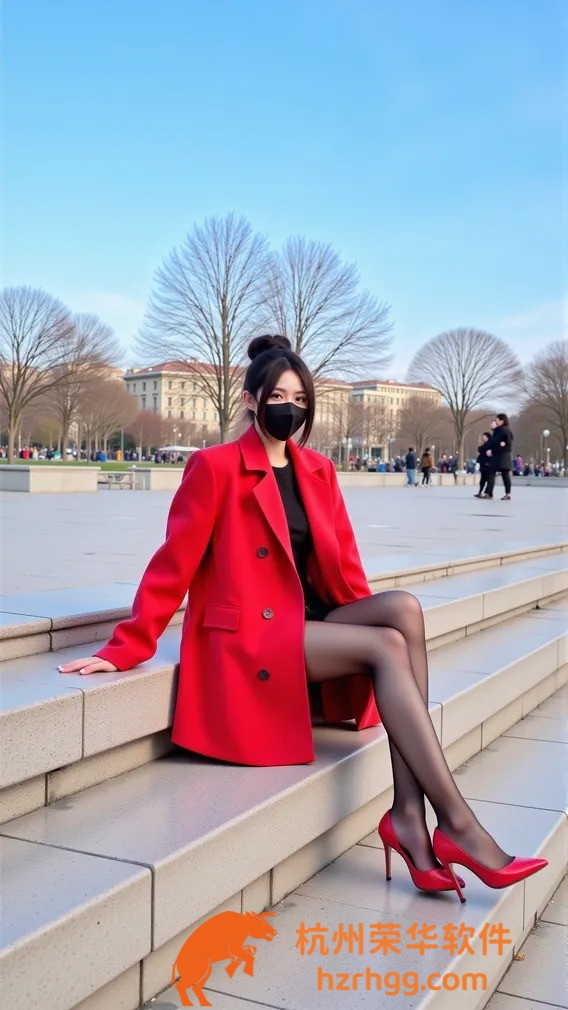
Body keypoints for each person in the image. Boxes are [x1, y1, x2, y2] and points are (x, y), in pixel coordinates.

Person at [58, 334, 546, 901]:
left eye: (299, 398)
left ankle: (409, 815)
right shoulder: (214, 467)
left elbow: (347, 566)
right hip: (251, 636)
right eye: (277, 397)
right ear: (250, 400)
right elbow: (173, 564)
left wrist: (368, 616)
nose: (289, 408)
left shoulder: (317, 469)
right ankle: (456, 824)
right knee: (387, 647)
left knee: (404, 612)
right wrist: (125, 647)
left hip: (310, 618)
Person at [483, 414, 514, 500]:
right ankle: (490, 493)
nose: (495, 422)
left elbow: (508, 444)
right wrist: (489, 449)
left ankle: (507, 493)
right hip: (497, 456)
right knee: (493, 473)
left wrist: (493, 450)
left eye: (497, 420)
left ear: (501, 421)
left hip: (503, 457)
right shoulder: (498, 431)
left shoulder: (505, 431)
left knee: (504, 475)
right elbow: (494, 442)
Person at [474, 433, 492, 498]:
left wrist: (480, 449)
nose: (483, 438)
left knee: (488, 479)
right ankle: (481, 492)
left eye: (484, 437)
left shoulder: (490, 445)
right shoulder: (485, 445)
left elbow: (482, 450)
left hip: (488, 464)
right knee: (483, 480)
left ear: (487, 437)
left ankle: (487, 493)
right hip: (483, 464)